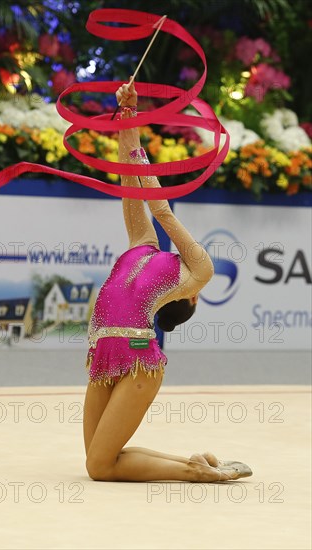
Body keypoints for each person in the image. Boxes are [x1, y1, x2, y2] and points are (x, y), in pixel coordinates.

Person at [83, 80, 252, 482]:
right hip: (105, 358)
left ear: (189, 298)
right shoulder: (143, 247)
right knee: (104, 457)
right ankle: (194, 462)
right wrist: (129, 116)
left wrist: (134, 127)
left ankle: (195, 474)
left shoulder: (196, 274)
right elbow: (129, 179)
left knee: (99, 467)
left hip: (140, 360)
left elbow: (163, 211)